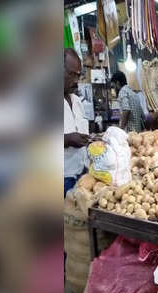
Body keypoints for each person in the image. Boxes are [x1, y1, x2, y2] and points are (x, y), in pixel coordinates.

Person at [64, 48, 90, 196]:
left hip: (82, 175)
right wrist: (67, 139)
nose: (75, 80)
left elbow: (82, 133)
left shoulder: (77, 101)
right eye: (71, 74)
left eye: (78, 75)